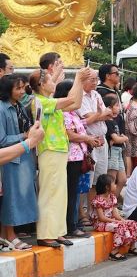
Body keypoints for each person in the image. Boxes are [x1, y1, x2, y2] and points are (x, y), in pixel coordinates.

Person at [28, 67, 91, 247]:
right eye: (50, 80)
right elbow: (72, 99)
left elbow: (76, 103)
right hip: (49, 149)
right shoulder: (39, 101)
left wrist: (77, 81)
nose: (53, 83)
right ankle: (46, 233)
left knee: (60, 193)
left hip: (59, 149)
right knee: (50, 192)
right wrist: (78, 79)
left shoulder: (47, 100)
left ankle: (57, 231)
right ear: (41, 84)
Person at [57, 80, 99, 239]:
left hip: (77, 156)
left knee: (75, 192)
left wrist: (89, 138)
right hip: (70, 158)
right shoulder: (64, 113)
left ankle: (73, 223)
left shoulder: (73, 112)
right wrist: (87, 139)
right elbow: (70, 134)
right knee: (71, 192)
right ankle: (71, 226)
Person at [0, 74, 37, 250]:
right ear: (8, 90)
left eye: (23, 87)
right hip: (9, 160)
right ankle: (10, 235)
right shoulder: (1, 108)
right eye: (18, 88)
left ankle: (7, 235)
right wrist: (26, 136)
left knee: (18, 198)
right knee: (11, 199)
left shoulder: (20, 105)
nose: (22, 91)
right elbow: (2, 140)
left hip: (22, 157)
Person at [78, 70, 114, 223]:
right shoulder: (79, 96)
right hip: (89, 142)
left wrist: (98, 114)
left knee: (98, 179)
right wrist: (100, 114)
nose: (94, 82)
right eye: (91, 79)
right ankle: (82, 212)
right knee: (87, 179)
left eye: (95, 79)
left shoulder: (97, 95)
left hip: (102, 141)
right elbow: (87, 119)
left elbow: (109, 113)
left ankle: (95, 211)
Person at [91, 174, 137, 261]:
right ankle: (114, 252)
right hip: (100, 223)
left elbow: (115, 214)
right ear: (107, 187)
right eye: (114, 184)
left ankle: (132, 246)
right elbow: (101, 218)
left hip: (110, 221)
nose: (116, 185)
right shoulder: (97, 201)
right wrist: (116, 222)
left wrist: (122, 220)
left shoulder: (112, 197)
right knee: (120, 227)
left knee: (132, 223)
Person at [103, 95, 128, 201]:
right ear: (109, 107)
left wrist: (120, 138)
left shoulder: (115, 120)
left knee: (122, 179)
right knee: (111, 179)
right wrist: (123, 138)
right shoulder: (108, 120)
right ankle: (106, 203)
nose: (119, 107)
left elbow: (118, 138)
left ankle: (113, 201)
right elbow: (116, 139)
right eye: (116, 105)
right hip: (112, 151)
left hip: (118, 150)